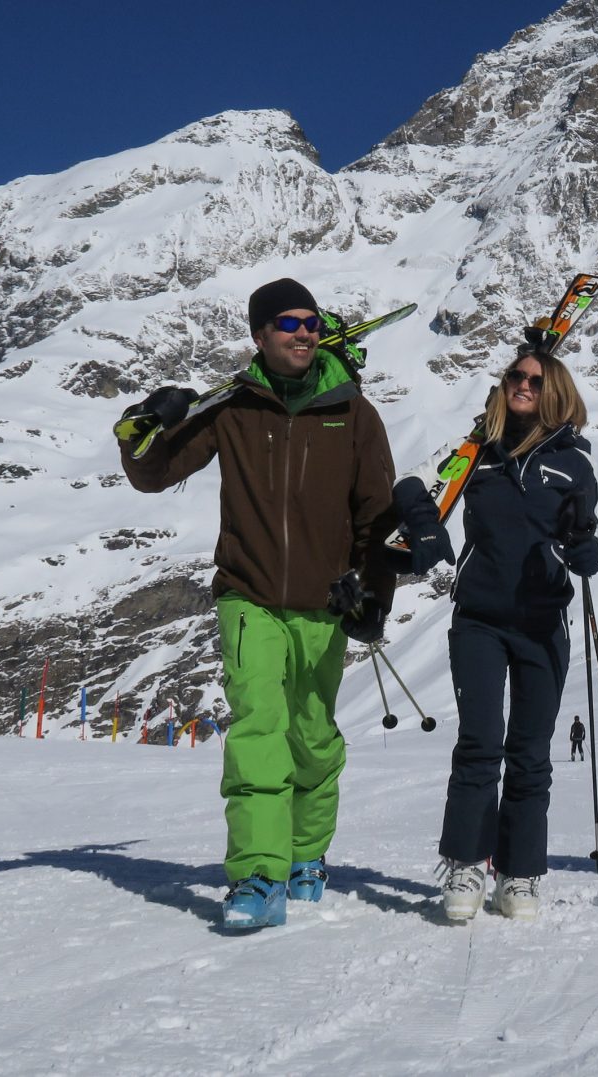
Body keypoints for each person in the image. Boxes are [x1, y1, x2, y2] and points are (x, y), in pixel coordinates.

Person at [119, 278, 397, 930]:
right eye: (286, 323)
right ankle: (258, 877)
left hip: (324, 604)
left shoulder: (354, 413)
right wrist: (142, 425)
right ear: (260, 336)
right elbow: (153, 472)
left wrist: (373, 595)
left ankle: (306, 855)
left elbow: (378, 516)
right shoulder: (234, 409)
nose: (301, 332)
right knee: (258, 732)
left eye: (309, 322)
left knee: (312, 737)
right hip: (248, 597)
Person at [390, 345, 598, 924]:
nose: (524, 384)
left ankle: (520, 873)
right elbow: (414, 489)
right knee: (480, 744)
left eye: (535, 378)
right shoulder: (475, 450)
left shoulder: (573, 464)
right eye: (516, 375)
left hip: (542, 622)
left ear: (555, 389)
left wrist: (588, 552)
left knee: (531, 754)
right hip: (479, 618)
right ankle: (465, 863)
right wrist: (427, 529)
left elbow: (584, 535)